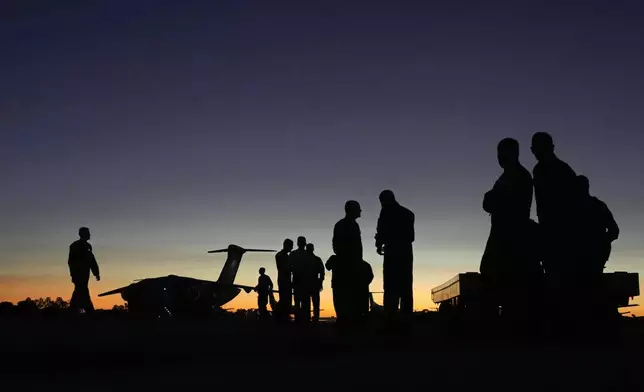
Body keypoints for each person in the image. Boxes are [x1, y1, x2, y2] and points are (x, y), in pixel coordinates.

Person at [480, 138, 542, 333]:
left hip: (512, 236)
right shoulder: (505, 177)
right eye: (498, 154)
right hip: (501, 233)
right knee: (494, 275)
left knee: (510, 280)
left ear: (513, 154)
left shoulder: (519, 176)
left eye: (503, 154)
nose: (500, 158)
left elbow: (498, 202)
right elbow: (489, 201)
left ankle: (513, 327)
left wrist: (493, 199)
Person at [531, 132, 582, 336]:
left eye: (541, 147)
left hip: (564, 234)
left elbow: (573, 205)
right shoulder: (539, 169)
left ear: (551, 147)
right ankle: (561, 326)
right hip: (551, 233)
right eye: (535, 148)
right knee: (555, 277)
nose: (537, 151)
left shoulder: (562, 170)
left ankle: (567, 327)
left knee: (564, 279)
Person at [375, 190, 415, 324]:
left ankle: (391, 320)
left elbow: (380, 231)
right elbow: (411, 237)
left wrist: (380, 243)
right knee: (405, 287)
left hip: (393, 252)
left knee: (391, 287)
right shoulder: (408, 214)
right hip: (405, 253)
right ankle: (406, 320)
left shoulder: (385, 212)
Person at [329, 200, 363, 324]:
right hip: (347, 266)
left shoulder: (352, 225)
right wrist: (349, 259)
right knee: (344, 296)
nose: (360, 211)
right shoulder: (343, 225)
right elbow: (337, 245)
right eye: (358, 208)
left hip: (352, 265)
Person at [68, 227, 100, 314]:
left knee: (80, 291)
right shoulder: (74, 245)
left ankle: (72, 311)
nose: (89, 234)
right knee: (83, 290)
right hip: (78, 274)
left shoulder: (89, 246)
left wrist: (96, 272)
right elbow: (71, 261)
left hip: (85, 274)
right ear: (83, 234)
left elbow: (92, 260)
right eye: (88, 233)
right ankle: (89, 311)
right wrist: (73, 274)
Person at [297, 243, 325, 323]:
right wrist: (320, 281)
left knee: (308, 303)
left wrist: (320, 281)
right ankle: (314, 318)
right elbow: (322, 272)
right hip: (311, 284)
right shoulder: (317, 259)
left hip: (309, 284)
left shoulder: (305, 260)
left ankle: (309, 318)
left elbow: (322, 272)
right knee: (313, 303)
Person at [289, 236, 309, 322]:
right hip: (300, 280)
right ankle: (302, 319)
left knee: (301, 301)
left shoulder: (293, 254)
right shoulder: (307, 254)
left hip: (302, 280)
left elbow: (289, 267)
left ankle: (301, 319)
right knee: (301, 301)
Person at [275, 238, 294, 321]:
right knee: (284, 298)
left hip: (287, 280)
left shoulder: (286, 256)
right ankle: (283, 316)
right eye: (291, 246)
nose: (292, 248)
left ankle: (285, 315)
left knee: (288, 298)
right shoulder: (280, 255)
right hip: (283, 280)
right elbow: (283, 268)